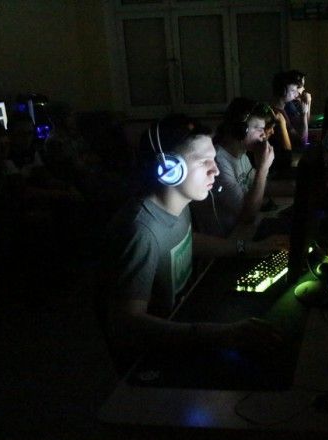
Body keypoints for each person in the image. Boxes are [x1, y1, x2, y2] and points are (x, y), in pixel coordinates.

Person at [98, 114, 283, 374]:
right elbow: (127, 323)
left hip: (183, 327)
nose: (215, 170)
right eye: (203, 161)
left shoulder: (178, 203)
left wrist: (249, 248)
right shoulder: (140, 231)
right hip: (154, 359)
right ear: (169, 168)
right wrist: (221, 335)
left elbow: (187, 239)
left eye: (214, 159)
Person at [192, 98, 278, 238]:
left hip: (242, 232)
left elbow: (262, 187)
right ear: (240, 130)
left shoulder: (242, 156)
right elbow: (248, 216)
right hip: (228, 241)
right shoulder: (218, 162)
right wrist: (263, 169)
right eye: (259, 129)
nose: (264, 134)